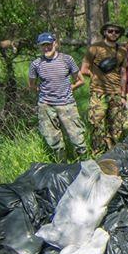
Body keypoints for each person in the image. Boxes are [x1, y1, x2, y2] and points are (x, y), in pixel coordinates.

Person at [28, 32, 87, 161]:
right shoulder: (36, 64)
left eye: (48, 44)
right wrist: (44, 93)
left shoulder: (67, 59)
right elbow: (32, 86)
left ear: (55, 44)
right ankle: (61, 166)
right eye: (43, 45)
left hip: (67, 105)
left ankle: (85, 163)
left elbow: (81, 80)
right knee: (53, 140)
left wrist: (68, 89)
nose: (46, 48)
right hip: (46, 106)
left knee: (77, 138)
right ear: (39, 47)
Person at [80, 22, 128, 155]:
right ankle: (97, 154)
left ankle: (113, 155)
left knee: (116, 127)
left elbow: (123, 74)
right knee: (97, 126)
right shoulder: (95, 48)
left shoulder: (123, 51)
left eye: (116, 32)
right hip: (98, 93)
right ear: (105, 32)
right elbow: (84, 69)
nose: (113, 34)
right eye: (110, 31)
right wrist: (95, 76)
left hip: (116, 94)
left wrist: (123, 95)